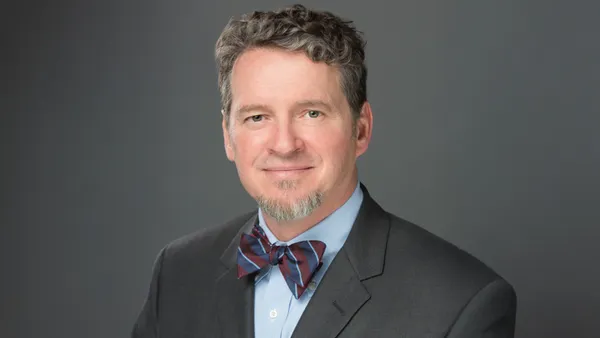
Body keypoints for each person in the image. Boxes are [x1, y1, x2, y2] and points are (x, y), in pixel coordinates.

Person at [132, 4, 517, 338]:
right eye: (257, 117)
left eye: (312, 113)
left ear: (360, 129)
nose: (284, 144)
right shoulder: (178, 273)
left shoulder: (461, 301)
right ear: (228, 137)